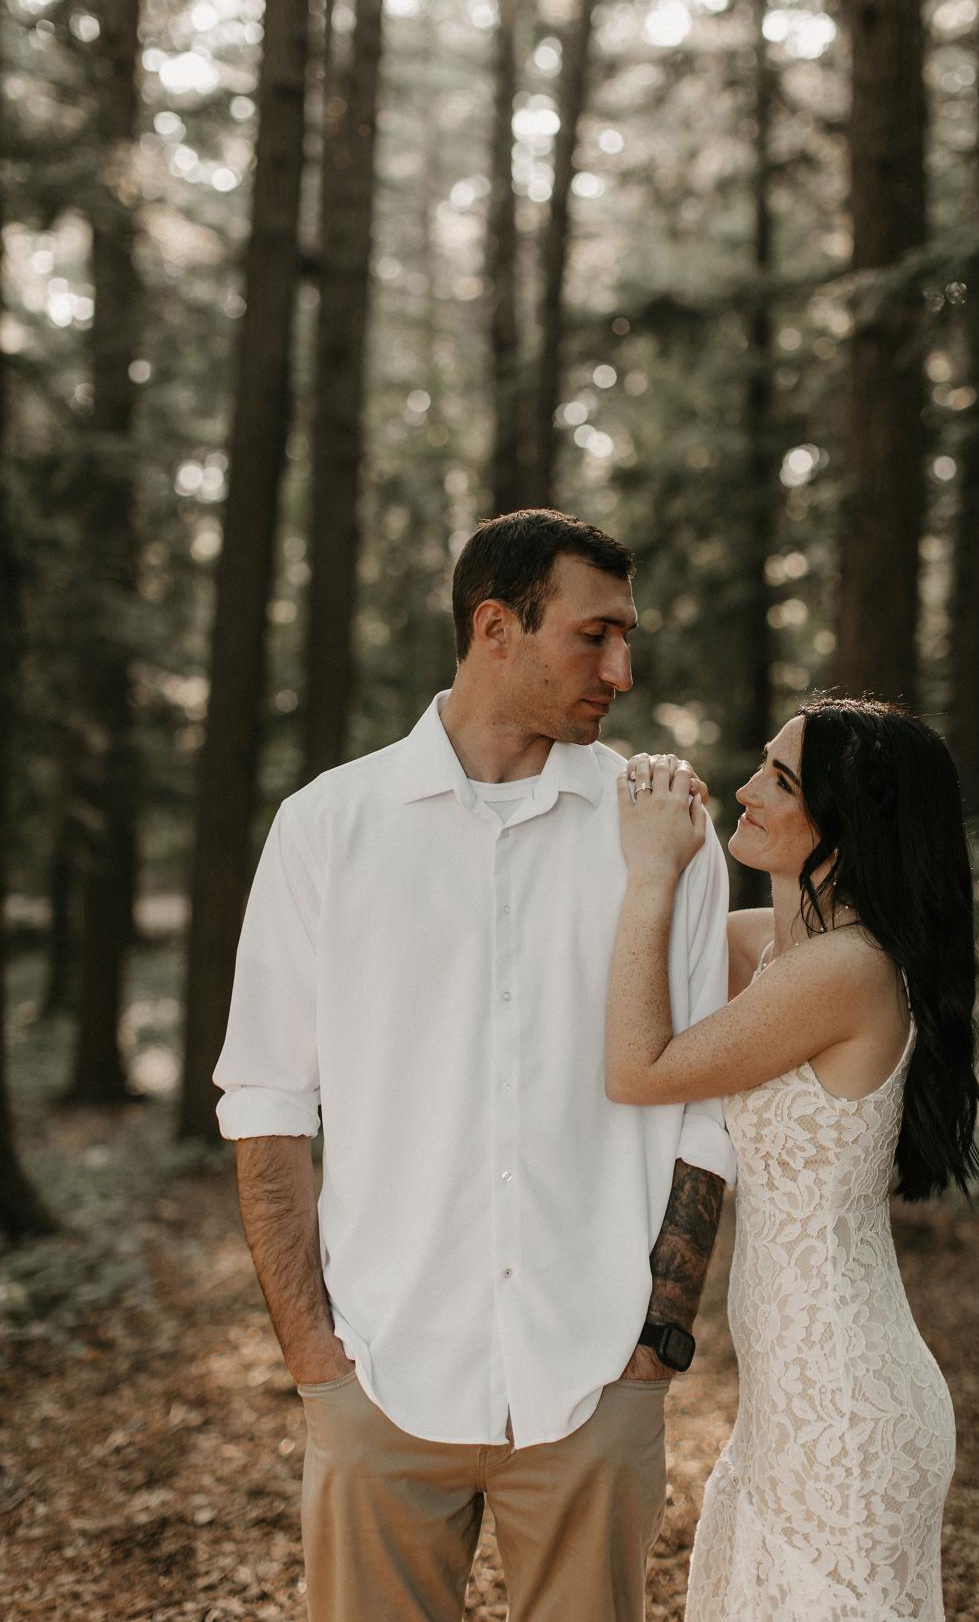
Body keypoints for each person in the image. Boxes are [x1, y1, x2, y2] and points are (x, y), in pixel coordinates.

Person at [213, 508, 736, 1622]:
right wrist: (316, 1363)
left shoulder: (669, 834)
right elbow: (266, 1103)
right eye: (593, 636)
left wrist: (654, 1348)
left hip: (596, 1379)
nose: (622, 670)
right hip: (381, 1376)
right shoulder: (326, 828)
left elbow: (707, 1108)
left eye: (627, 637)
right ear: (496, 627)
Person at [606, 698, 979, 1621]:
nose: (745, 789)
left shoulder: (846, 970)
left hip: (843, 1409)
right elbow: (657, 960)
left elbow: (636, 1067)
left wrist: (654, 870)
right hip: (793, 1403)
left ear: (847, 826)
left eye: (780, 780)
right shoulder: (783, 953)